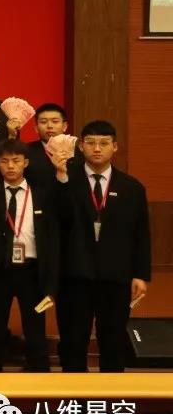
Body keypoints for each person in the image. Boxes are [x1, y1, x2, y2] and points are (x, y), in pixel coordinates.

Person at [53, 120, 151, 372]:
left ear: (115, 147)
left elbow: (141, 234)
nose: (97, 149)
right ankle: (74, 393)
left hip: (116, 276)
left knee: (113, 340)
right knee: (73, 340)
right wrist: (61, 178)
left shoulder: (132, 188)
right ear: (81, 146)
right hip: (74, 275)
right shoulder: (66, 180)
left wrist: (140, 274)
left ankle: (111, 394)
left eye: (104, 143)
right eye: (91, 143)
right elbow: (57, 221)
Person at [0, 139, 60, 372]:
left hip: (31, 271)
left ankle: (38, 374)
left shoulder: (41, 195)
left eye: (16, 160)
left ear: (26, 163)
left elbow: (52, 240)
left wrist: (51, 281)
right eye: (5, 161)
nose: (10, 166)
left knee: (35, 328)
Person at [22, 103, 83, 185]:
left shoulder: (77, 152)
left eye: (55, 121)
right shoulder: (26, 151)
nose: (49, 126)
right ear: (36, 128)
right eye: (43, 122)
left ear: (64, 126)